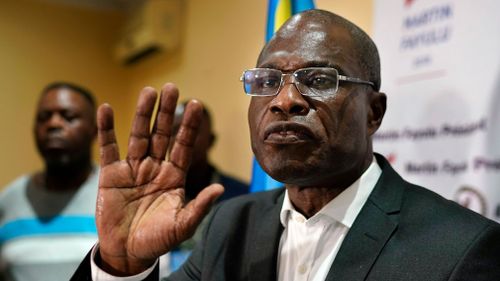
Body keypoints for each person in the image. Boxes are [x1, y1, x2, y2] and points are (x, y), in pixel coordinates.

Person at [71, 9, 500, 281]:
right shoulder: (230, 227)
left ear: (374, 112)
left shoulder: (460, 250)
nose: (285, 100)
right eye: (267, 81)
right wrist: (121, 266)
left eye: (318, 80)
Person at [0, 82, 99, 281]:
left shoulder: (118, 195)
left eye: (68, 117)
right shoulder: (7, 201)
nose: (53, 124)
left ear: (95, 130)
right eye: (43, 118)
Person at [166, 101, 249, 272]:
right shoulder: (152, 197)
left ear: (211, 141)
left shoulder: (242, 197)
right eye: (174, 131)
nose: (182, 139)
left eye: (192, 130)